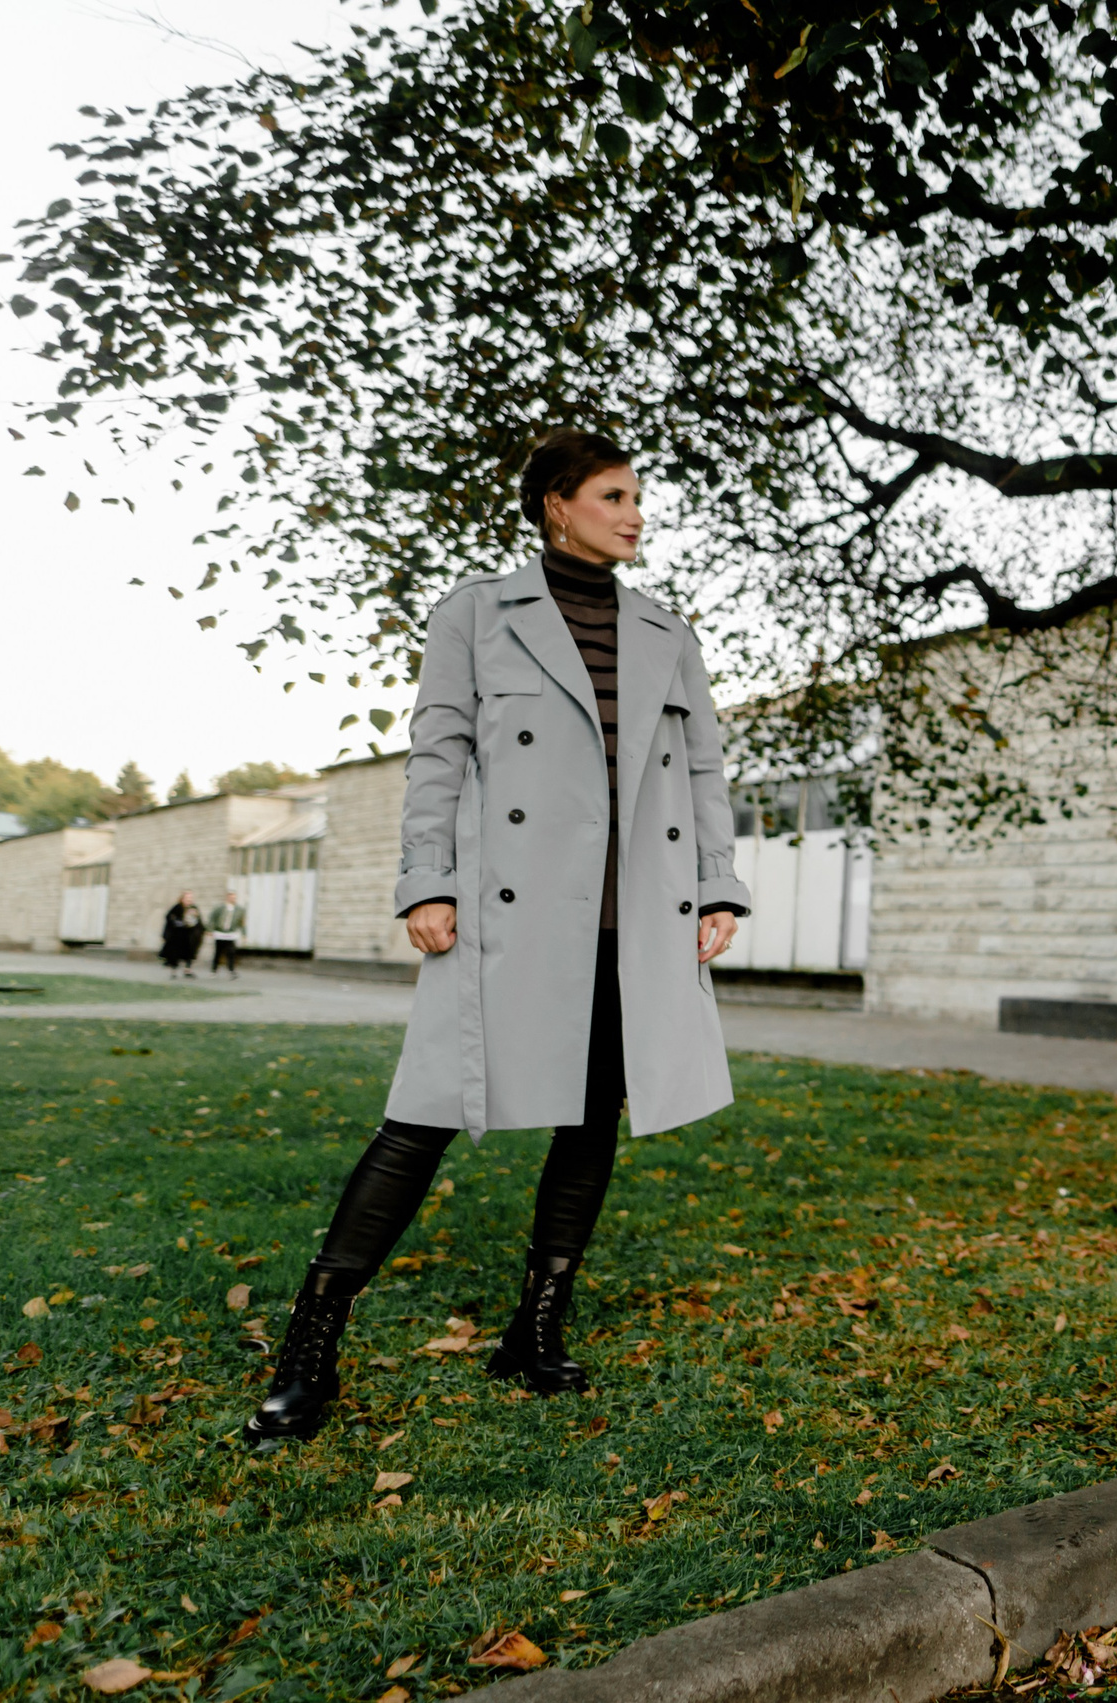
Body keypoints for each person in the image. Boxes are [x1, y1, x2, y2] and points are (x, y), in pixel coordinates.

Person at [243, 428, 752, 1450]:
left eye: (637, 496)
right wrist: (424, 879)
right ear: (557, 503)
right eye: (614, 495)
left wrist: (715, 884)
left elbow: (702, 770)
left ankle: (535, 1327)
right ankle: (311, 1345)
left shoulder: (666, 630)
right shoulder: (477, 612)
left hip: (632, 909)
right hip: (510, 904)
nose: (635, 513)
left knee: (594, 1113)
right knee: (421, 1114)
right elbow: (437, 756)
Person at [159, 892, 205, 977]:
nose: (189, 900)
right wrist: (176, 922)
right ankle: (174, 971)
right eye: (187, 898)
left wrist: (201, 928)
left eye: (190, 898)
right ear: (183, 899)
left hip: (190, 936)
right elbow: (169, 916)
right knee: (175, 953)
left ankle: (187, 970)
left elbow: (198, 920)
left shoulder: (193, 908)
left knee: (189, 953)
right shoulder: (178, 907)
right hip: (178, 935)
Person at [206, 890, 246, 977]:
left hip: (231, 934)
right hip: (220, 933)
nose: (233, 899)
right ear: (227, 897)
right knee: (218, 952)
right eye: (231, 897)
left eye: (234, 897)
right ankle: (214, 970)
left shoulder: (239, 910)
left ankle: (231, 970)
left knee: (231, 952)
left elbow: (241, 922)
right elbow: (212, 918)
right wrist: (209, 929)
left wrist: (244, 934)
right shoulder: (220, 908)